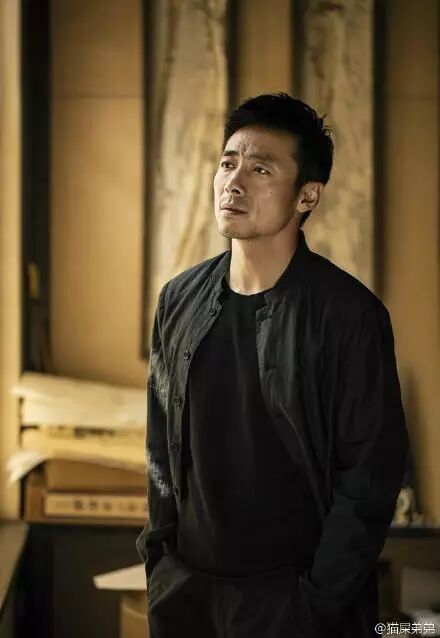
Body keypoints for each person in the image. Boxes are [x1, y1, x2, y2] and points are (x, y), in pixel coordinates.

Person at [136, 93, 408, 638]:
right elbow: (160, 445)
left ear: (308, 194)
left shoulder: (348, 316)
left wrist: (314, 602)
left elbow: (369, 481)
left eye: (260, 169)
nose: (233, 182)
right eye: (227, 163)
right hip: (188, 595)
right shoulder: (179, 300)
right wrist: (159, 562)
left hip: (292, 603)